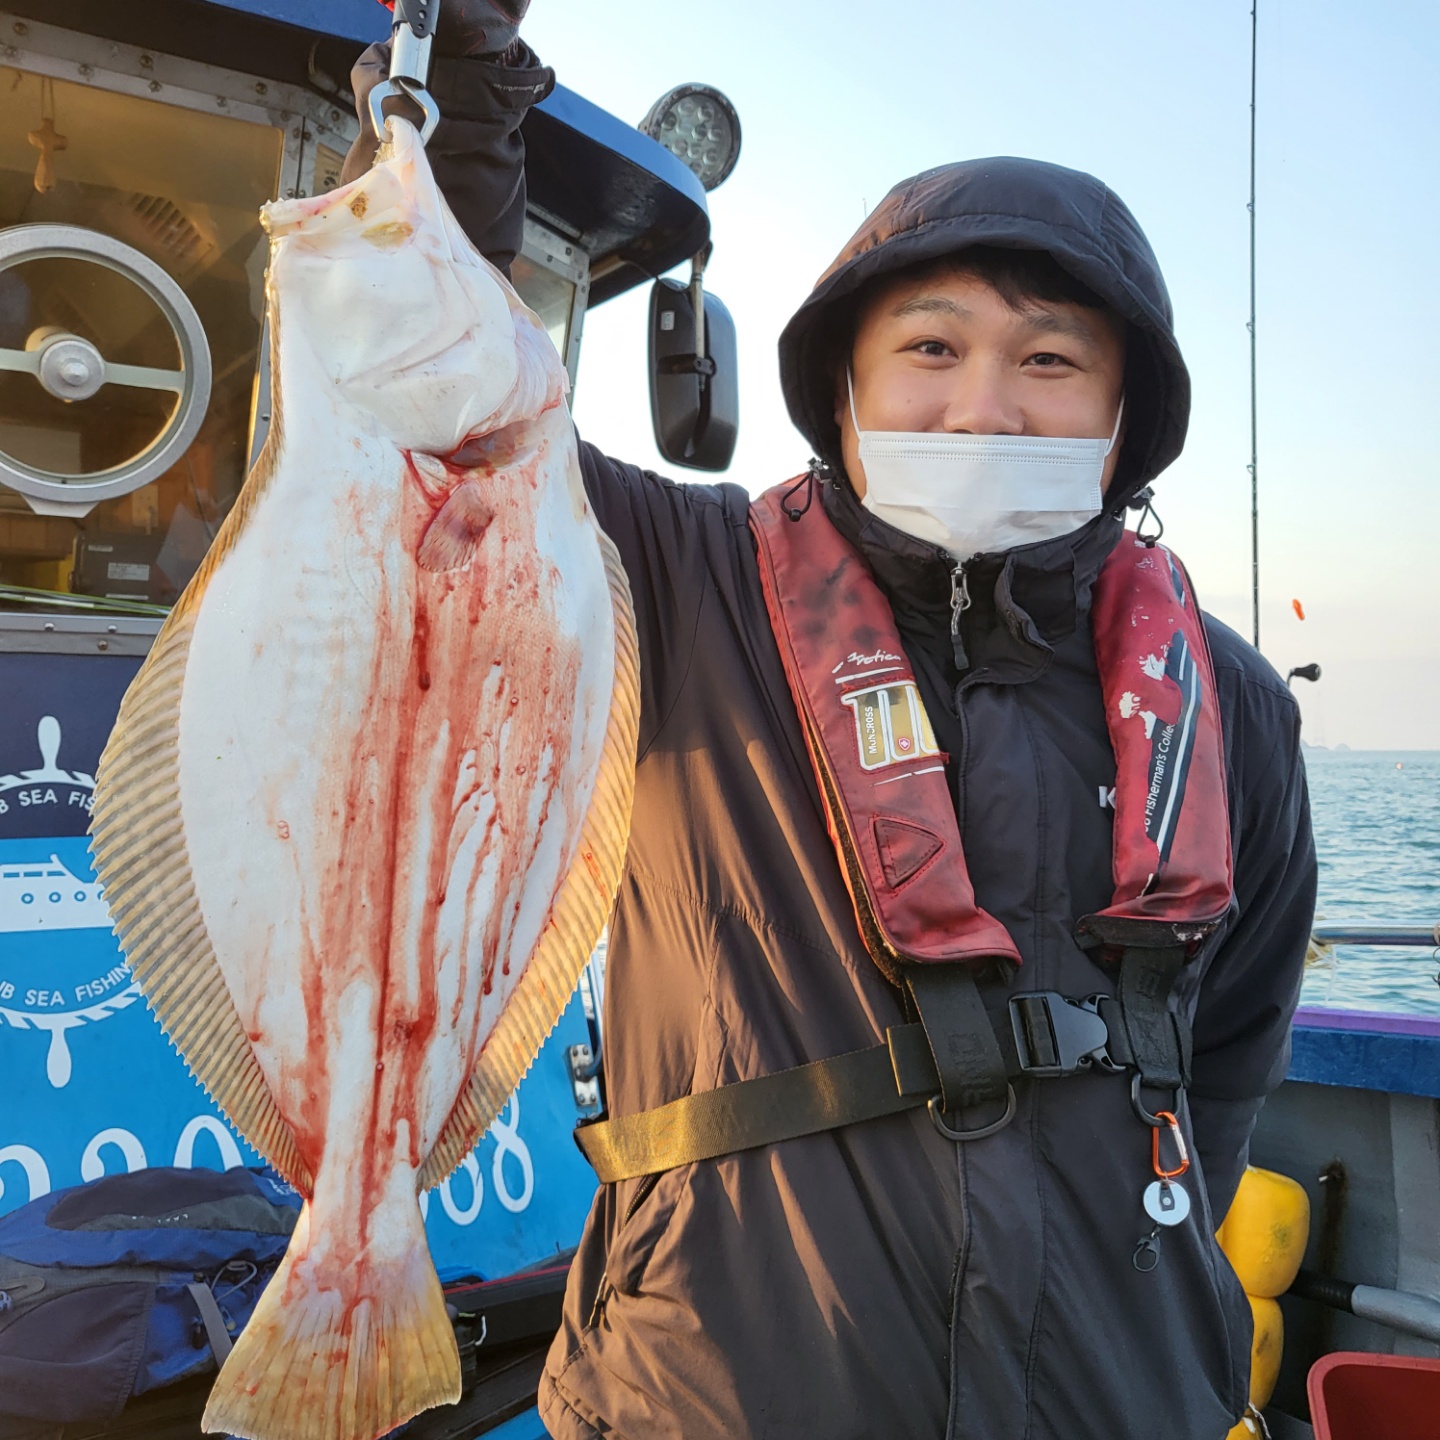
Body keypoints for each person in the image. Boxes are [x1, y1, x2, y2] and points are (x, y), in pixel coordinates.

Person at [346, 8, 1316, 1437]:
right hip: (713, 1392)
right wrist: (463, 81)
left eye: (1051, 363)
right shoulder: (675, 580)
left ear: (1126, 417)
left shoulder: (1231, 705)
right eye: (931, 348)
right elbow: (435, 401)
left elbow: (1224, 1060)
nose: (984, 410)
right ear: (842, 390)